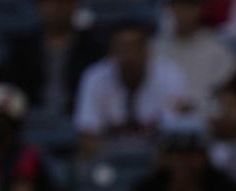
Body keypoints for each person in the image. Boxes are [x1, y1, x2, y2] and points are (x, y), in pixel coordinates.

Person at [73, 18, 189, 159]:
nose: (129, 57)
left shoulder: (170, 76)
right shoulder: (94, 77)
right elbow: (87, 135)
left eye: (135, 48)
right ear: (112, 52)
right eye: (123, 49)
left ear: (147, 51)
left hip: (156, 162)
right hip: (110, 162)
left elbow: (174, 133)